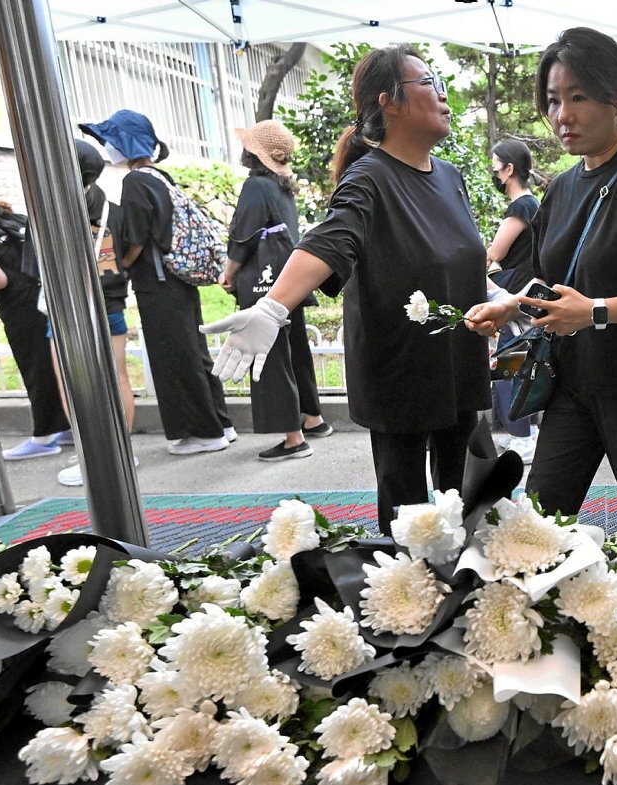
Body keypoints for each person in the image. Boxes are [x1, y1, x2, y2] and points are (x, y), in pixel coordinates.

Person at [202, 46, 489, 534]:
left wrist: (499, 297)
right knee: (408, 517)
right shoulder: (370, 178)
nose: (443, 95)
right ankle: (408, 578)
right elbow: (330, 240)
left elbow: (457, 256)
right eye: (428, 83)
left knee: (464, 497)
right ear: (389, 102)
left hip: (458, 360)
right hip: (400, 369)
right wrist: (272, 308)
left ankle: (464, 570)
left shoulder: (449, 176)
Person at [465, 27, 617, 533]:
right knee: (536, 524)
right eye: (554, 100)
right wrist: (510, 305)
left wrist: (596, 311)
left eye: (577, 97)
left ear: (616, 98)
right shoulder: (562, 188)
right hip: (569, 381)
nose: (562, 115)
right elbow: (549, 281)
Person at [80, 110, 235, 456]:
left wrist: (122, 265)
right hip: (178, 280)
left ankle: (204, 434)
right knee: (195, 352)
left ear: (125, 143)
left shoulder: (135, 182)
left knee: (174, 357)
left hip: (158, 282)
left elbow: (136, 240)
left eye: (110, 141)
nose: (107, 148)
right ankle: (222, 424)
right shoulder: (160, 177)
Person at [219, 120, 332, 462]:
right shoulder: (283, 185)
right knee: (295, 348)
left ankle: (293, 439)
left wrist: (229, 272)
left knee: (271, 354)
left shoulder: (255, 185)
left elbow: (243, 235)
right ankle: (313, 419)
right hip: (290, 278)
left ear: (254, 153)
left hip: (263, 284)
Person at [51, 139, 137, 486]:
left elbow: (33, 267)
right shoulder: (113, 210)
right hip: (110, 300)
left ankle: (91, 458)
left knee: (71, 380)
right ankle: (123, 451)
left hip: (66, 307)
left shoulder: (52, 211)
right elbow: (130, 251)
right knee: (119, 376)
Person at [0, 197, 70, 459]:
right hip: (47, 292)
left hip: (21, 303)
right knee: (55, 364)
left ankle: (44, 438)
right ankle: (68, 426)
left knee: (36, 368)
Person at [486, 138, 541, 463]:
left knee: (510, 366)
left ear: (509, 170)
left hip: (513, 296)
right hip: (525, 294)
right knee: (520, 364)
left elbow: (496, 251)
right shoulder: (533, 204)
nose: (494, 174)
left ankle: (523, 437)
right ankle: (525, 432)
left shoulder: (521, 206)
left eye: (495, 168)